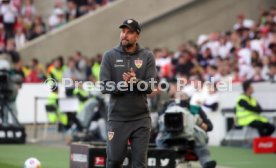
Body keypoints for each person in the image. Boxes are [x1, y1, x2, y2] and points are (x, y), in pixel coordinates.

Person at [100, 19, 156, 168]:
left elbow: (150, 86)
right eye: (123, 31)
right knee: (114, 161)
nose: (125, 35)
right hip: (117, 118)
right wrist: (123, 85)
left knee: (139, 164)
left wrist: (136, 82)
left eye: (129, 32)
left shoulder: (147, 56)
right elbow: (104, 86)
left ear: (137, 35)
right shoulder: (109, 56)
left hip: (141, 119)